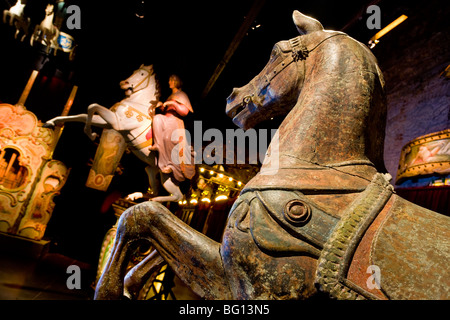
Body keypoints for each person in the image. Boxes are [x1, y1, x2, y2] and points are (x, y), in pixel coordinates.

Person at [146, 74, 195, 202]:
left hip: (174, 121)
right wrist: (162, 105)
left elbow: (184, 111)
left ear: (176, 81)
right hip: (165, 118)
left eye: (171, 80)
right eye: (169, 80)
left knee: (168, 137)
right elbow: (165, 109)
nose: (169, 82)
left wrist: (173, 103)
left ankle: (170, 165)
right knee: (156, 119)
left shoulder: (182, 95)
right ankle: (157, 145)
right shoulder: (171, 95)